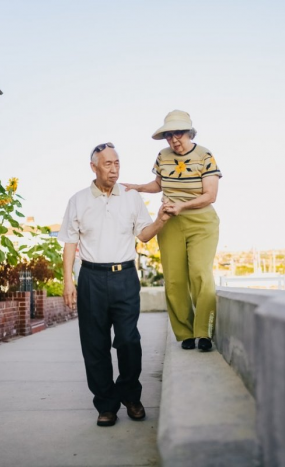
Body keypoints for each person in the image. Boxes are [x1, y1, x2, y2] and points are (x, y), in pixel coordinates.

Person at [60, 142, 170, 427]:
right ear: (93, 167)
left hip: (124, 277)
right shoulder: (78, 200)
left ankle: (131, 396)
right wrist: (68, 282)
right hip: (91, 279)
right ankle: (106, 404)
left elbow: (144, 235)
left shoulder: (131, 197)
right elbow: (70, 243)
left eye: (117, 163)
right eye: (108, 164)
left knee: (129, 340)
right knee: (94, 345)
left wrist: (160, 220)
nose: (114, 168)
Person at [123, 110, 222, 352]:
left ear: (189, 132)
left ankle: (204, 333)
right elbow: (159, 184)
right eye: (169, 135)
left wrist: (183, 205)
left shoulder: (205, 155)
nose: (174, 140)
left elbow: (210, 195)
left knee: (200, 273)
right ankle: (185, 333)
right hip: (170, 223)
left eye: (178, 133)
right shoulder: (163, 156)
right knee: (175, 280)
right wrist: (137, 187)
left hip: (201, 223)